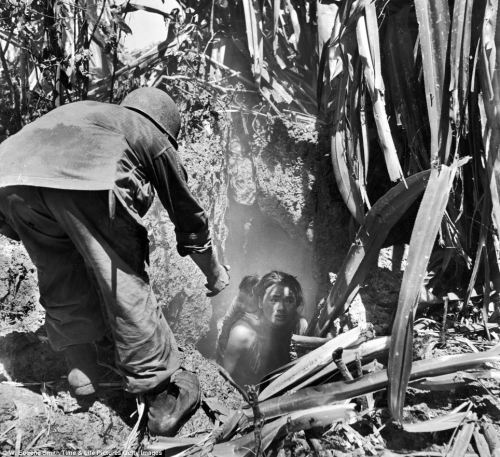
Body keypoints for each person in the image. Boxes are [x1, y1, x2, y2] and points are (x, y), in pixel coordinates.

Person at [0, 87, 230, 436]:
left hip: (9, 179)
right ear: (166, 127)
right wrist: (215, 274)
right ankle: (162, 400)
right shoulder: (149, 131)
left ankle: (81, 370)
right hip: (86, 178)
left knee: (59, 270)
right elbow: (189, 218)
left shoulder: (91, 113)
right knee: (123, 280)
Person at [217, 271, 307, 387]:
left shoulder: (299, 327)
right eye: (274, 299)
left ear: (296, 304)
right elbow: (223, 382)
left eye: (289, 300)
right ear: (260, 302)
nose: (281, 308)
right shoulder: (242, 334)